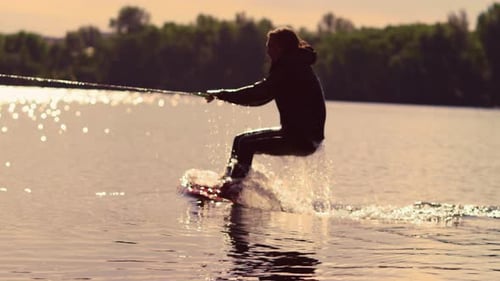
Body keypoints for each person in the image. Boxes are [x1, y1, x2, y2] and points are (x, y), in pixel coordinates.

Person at [206, 27, 326, 186]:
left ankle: (233, 186)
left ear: (281, 48)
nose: (268, 52)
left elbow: (259, 94)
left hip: (301, 139)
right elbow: (262, 98)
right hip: (301, 136)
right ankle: (228, 181)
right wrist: (223, 95)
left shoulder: (289, 68)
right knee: (240, 140)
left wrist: (221, 94)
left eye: (271, 47)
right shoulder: (295, 64)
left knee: (245, 144)